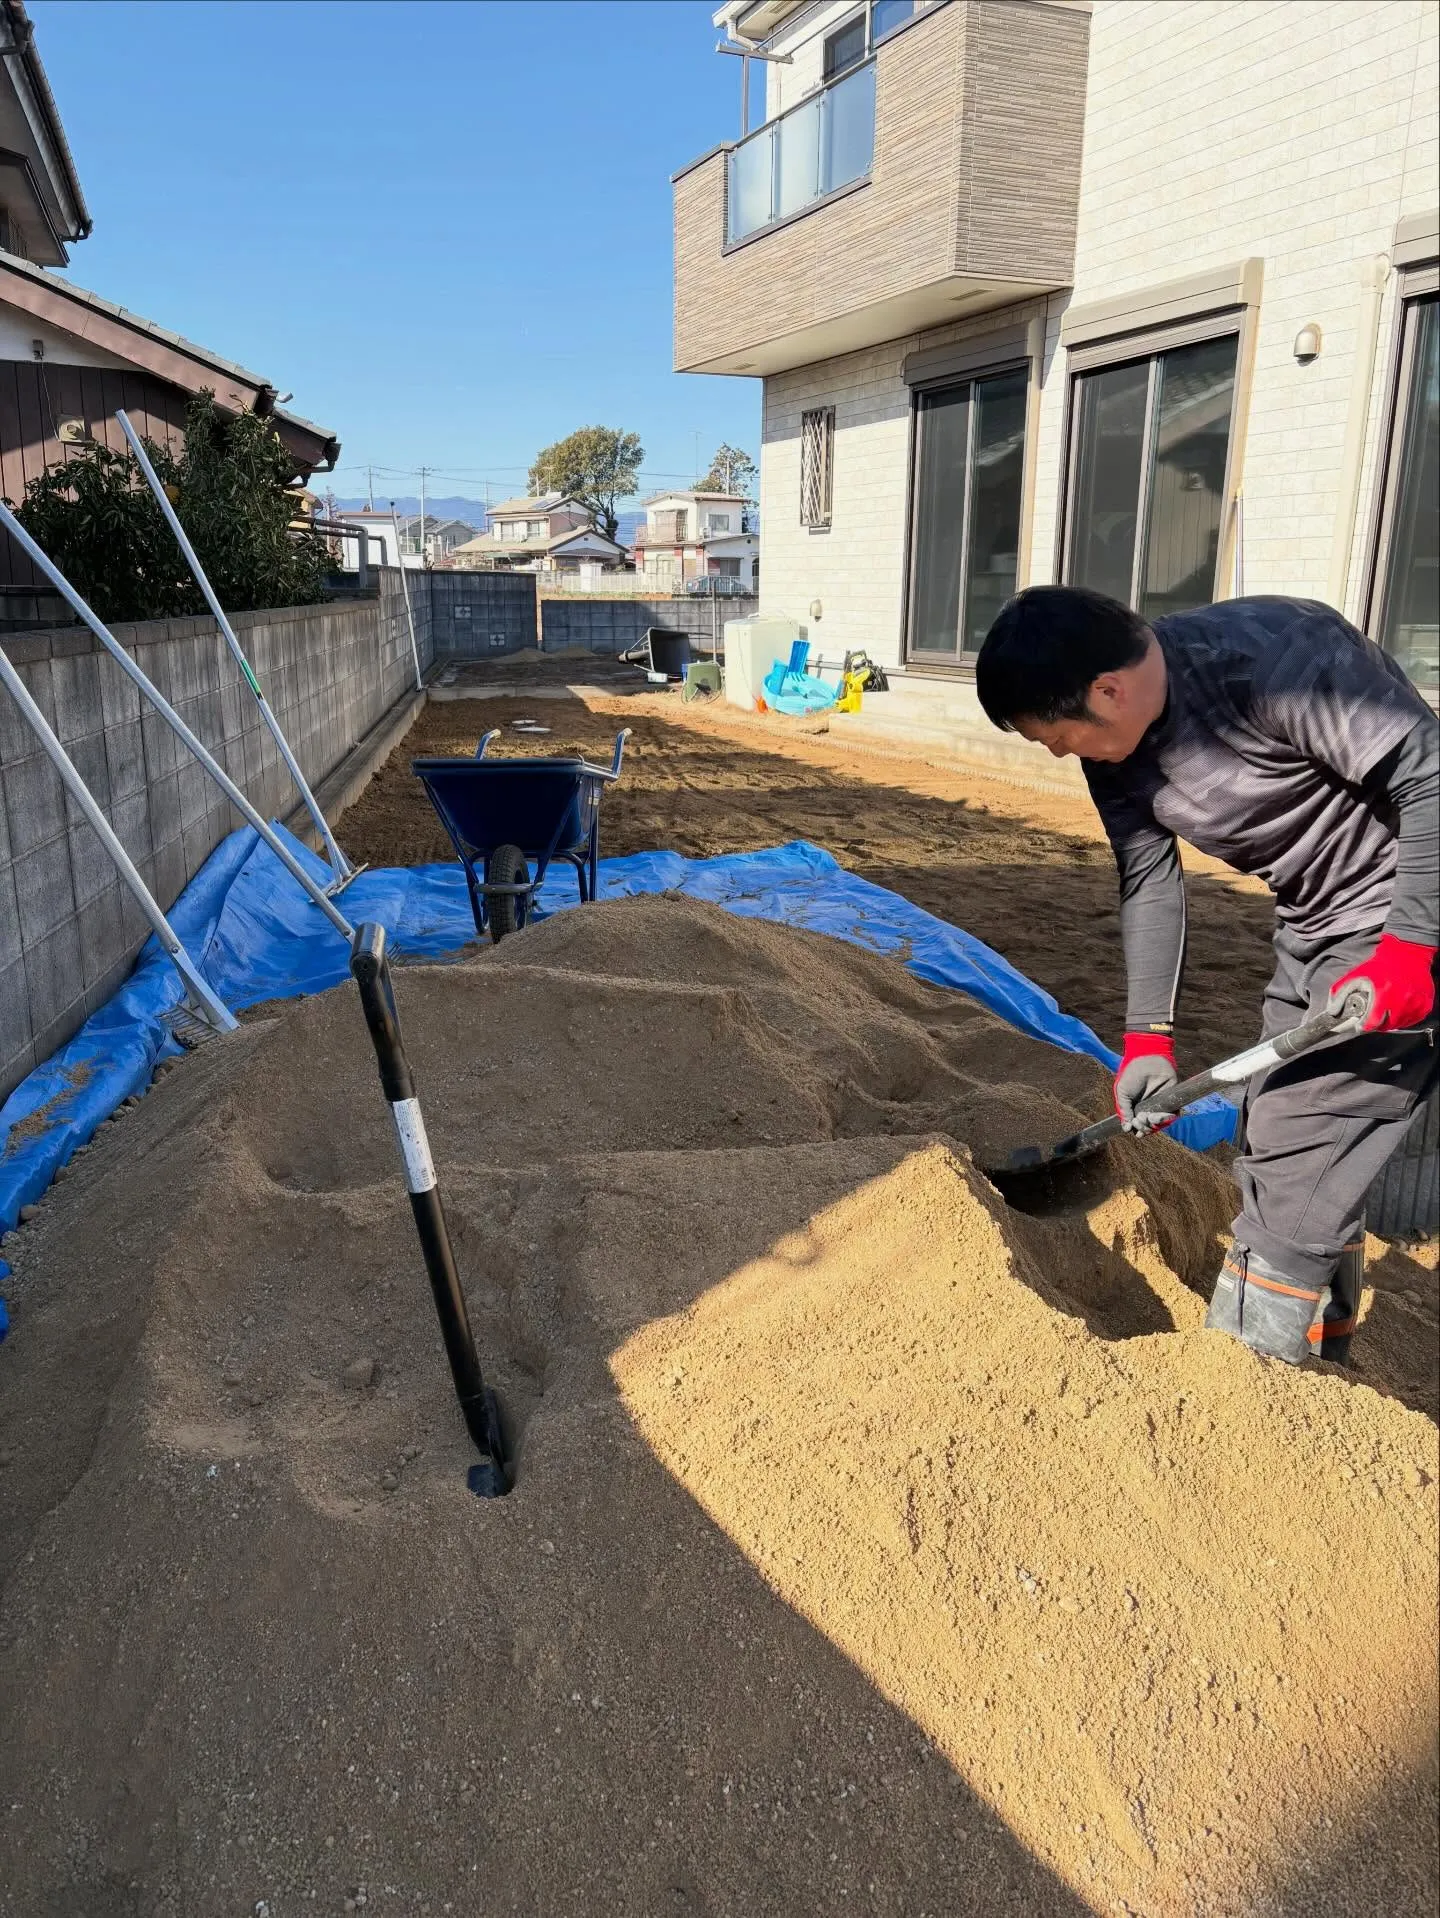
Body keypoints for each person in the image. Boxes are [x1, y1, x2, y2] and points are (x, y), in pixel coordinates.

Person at [974, 586, 1438, 1366]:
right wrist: (1147, 1037)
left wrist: (1413, 946)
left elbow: (1430, 777)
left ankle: (1247, 1383)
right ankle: (1323, 1344)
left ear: (1107, 691)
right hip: (1315, 917)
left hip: (1408, 910)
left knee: (1302, 1142)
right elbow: (1151, 880)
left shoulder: (1275, 659)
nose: (1063, 756)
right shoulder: (1117, 751)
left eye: (1059, 739)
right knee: (1269, 1129)